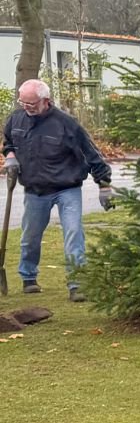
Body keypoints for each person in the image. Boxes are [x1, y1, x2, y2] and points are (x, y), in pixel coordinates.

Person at [2, 78, 112, 299]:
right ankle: (28, 277)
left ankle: (77, 283)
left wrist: (104, 185)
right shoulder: (16, 119)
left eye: (31, 103)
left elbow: (92, 154)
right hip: (35, 190)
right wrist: (10, 157)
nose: (26, 107)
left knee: (73, 233)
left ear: (46, 101)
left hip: (67, 188)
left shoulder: (67, 124)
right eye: (22, 102)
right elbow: (8, 142)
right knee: (30, 236)